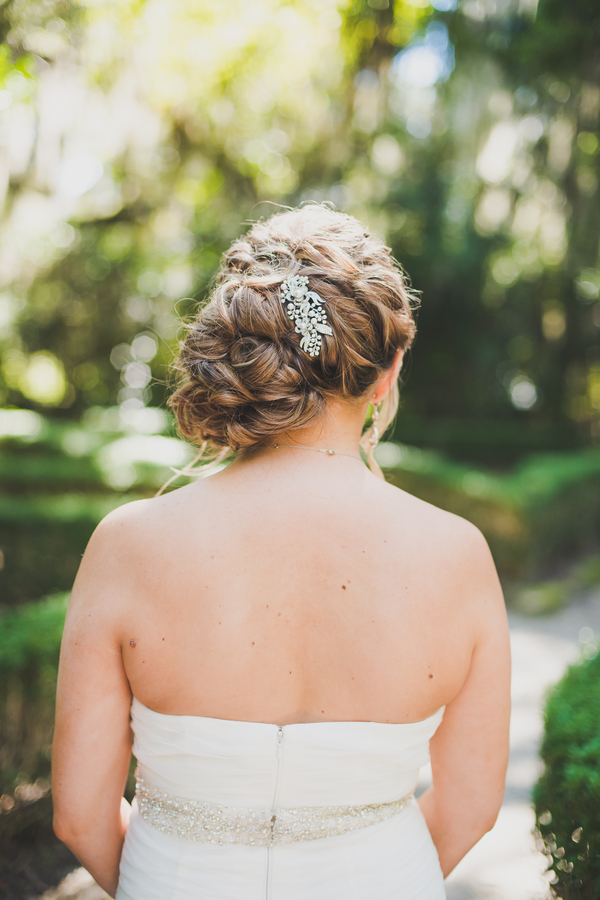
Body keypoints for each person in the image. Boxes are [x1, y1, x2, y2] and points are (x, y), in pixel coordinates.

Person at [52, 205, 511, 900]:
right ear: (387, 374)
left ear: (242, 355)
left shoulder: (127, 545)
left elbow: (81, 817)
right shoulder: (459, 555)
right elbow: (471, 805)